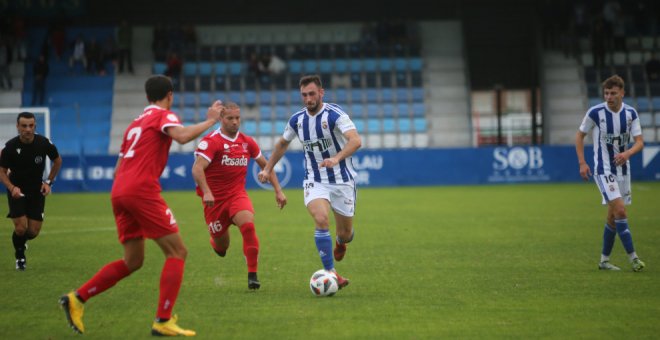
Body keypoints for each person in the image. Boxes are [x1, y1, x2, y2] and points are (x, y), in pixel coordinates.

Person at [59, 75, 223, 336]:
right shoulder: (163, 116)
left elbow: (116, 170)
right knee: (177, 252)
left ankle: (76, 299)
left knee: (133, 260)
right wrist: (212, 119)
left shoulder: (134, 125)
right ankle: (162, 320)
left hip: (119, 191)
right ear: (169, 94)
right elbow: (181, 137)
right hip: (141, 190)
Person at [258, 74, 362, 289]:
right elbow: (282, 143)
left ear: (321, 93)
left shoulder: (335, 115)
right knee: (321, 219)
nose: (308, 99)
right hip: (315, 179)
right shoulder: (297, 120)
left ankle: (341, 243)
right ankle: (331, 272)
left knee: (346, 233)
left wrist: (336, 158)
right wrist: (267, 169)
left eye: (312, 94)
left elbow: (356, 140)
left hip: (342, 180)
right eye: (304, 95)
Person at [192, 102, 287, 290]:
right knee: (222, 247)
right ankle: (216, 242)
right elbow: (197, 168)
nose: (235, 122)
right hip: (215, 202)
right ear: (221, 119)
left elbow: (265, 166)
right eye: (230, 118)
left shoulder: (247, 141)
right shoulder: (211, 142)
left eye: (237, 118)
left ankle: (252, 275)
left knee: (248, 226)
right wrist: (207, 192)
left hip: (237, 195)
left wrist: (278, 190)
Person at [575, 74, 646, 272]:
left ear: (622, 93)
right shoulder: (596, 112)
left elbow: (640, 142)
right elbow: (579, 136)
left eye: (613, 93)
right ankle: (634, 259)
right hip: (603, 170)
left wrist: (628, 153)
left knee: (613, 218)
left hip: (623, 171)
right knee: (621, 211)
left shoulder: (631, 113)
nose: (609, 97)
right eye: (606, 93)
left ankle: (604, 261)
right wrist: (582, 163)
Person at [0, 112, 62, 271]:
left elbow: (57, 160)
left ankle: (20, 242)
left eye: (31, 125)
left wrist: (48, 182)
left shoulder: (43, 143)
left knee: (32, 232)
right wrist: (11, 187)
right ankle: (20, 256)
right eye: (24, 126)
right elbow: (2, 171)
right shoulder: (10, 147)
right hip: (17, 190)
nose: (27, 129)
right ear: (17, 126)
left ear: (35, 126)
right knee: (21, 228)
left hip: (36, 190)